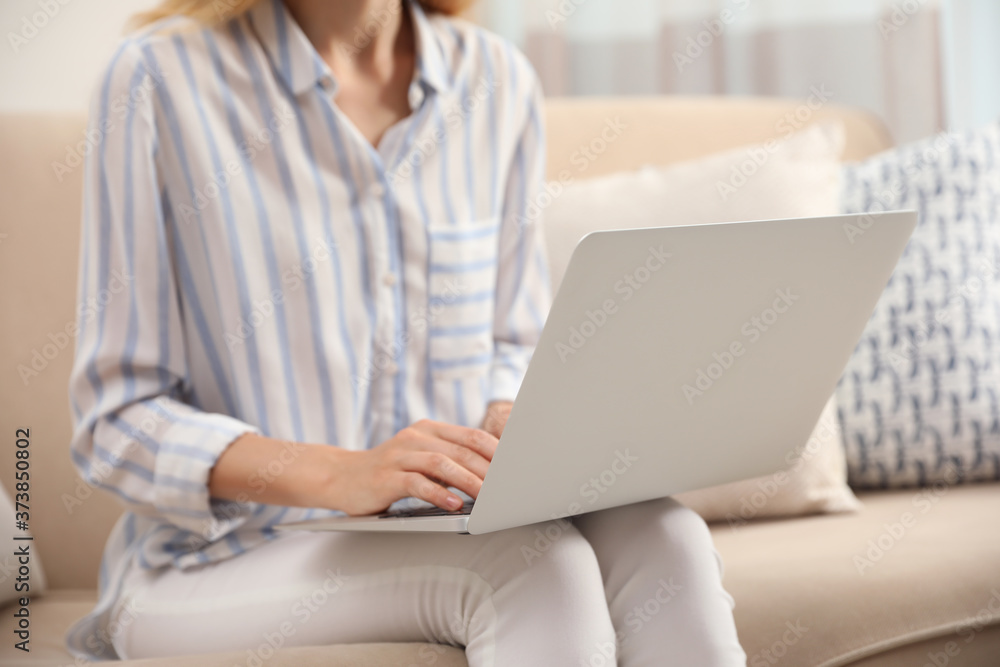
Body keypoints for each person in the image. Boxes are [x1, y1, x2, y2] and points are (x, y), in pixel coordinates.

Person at [66, 0, 748, 663]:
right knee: (534, 567)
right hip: (218, 556)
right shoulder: (155, 82)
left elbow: (512, 340)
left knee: (669, 535)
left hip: (446, 520)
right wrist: (342, 473)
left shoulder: (496, 82)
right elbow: (117, 422)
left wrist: (511, 415)